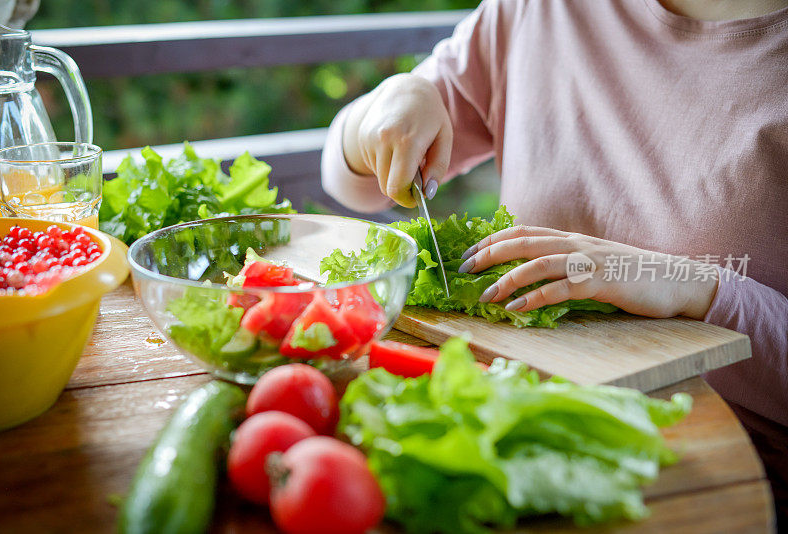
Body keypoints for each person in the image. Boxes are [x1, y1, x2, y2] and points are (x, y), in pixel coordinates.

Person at [320, 0, 788, 528]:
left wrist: (697, 286)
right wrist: (390, 103)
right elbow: (351, 181)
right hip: (525, 441)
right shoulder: (536, 11)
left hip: (724, 485)